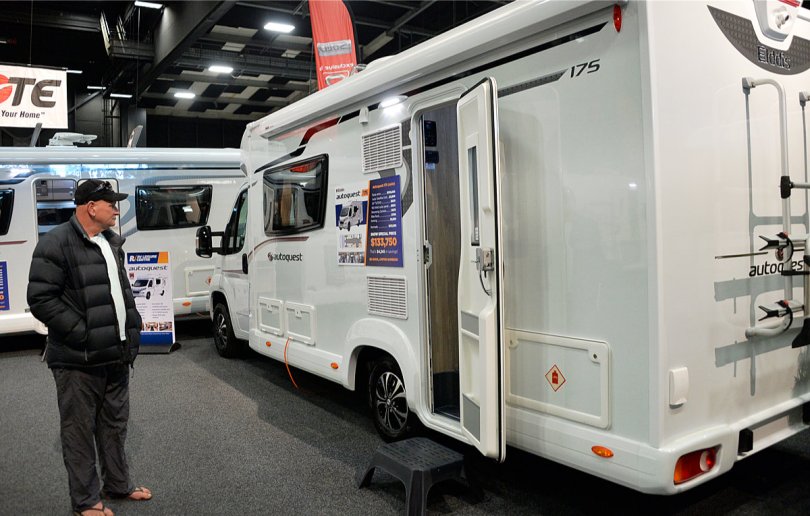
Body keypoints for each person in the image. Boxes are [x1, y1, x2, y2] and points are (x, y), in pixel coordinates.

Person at [27, 179, 152, 516]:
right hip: (77, 359)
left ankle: (118, 485)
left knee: (115, 426)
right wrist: (83, 333)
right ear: (91, 207)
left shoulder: (111, 242)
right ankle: (86, 502)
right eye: (111, 203)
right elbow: (40, 299)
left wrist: (132, 326)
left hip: (116, 354)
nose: (117, 209)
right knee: (79, 432)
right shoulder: (55, 243)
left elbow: (119, 292)